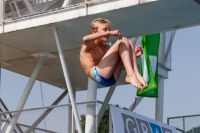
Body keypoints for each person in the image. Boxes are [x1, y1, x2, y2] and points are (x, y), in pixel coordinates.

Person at [80, 18, 148, 90]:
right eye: (105, 29)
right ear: (94, 32)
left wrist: (134, 55)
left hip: (112, 79)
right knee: (123, 40)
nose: (108, 32)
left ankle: (136, 73)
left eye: (109, 30)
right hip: (97, 75)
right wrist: (109, 33)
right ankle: (130, 75)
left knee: (129, 43)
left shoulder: (107, 48)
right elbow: (85, 39)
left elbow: (124, 67)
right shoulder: (89, 45)